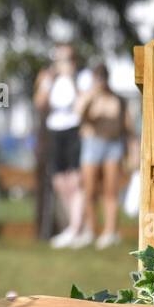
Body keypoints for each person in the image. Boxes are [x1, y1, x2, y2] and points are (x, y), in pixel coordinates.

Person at [35, 43, 90, 247]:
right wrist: (47, 83)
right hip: (55, 130)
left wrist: (72, 78)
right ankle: (75, 227)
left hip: (74, 129)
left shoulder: (82, 78)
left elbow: (83, 104)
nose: (60, 64)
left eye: (64, 59)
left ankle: (76, 228)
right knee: (60, 182)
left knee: (75, 180)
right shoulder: (50, 79)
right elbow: (40, 104)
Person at [74, 64, 135, 249]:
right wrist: (92, 96)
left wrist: (132, 152)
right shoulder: (87, 96)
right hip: (92, 143)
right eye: (98, 77)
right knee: (90, 190)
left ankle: (110, 232)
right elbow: (79, 115)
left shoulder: (118, 100)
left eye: (103, 77)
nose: (101, 81)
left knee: (111, 190)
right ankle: (91, 230)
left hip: (113, 145)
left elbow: (128, 128)